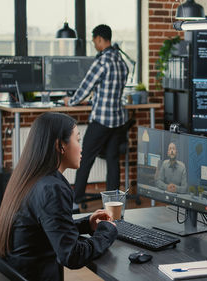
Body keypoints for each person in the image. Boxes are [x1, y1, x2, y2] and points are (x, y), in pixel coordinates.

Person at [0, 112, 118, 280]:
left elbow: (45, 227)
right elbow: (72, 255)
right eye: (78, 140)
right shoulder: (52, 189)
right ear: (61, 146)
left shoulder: (28, 178)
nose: (82, 148)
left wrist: (86, 224)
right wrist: (107, 231)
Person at [64, 24, 129, 204]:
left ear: (100, 39)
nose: (94, 45)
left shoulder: (102, 62)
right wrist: (91, 101)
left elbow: (86, 86)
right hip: (117, 120)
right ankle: (114, 203)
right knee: (113, 160)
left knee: (85, 159)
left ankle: (75, 200)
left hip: (101, 120)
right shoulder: (122, 63)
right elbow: (109, 92)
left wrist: (72, 101)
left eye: (94, 41)